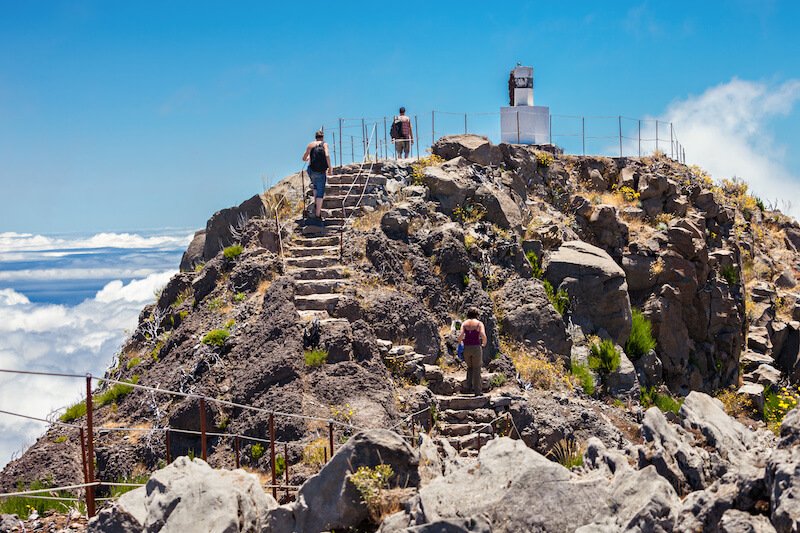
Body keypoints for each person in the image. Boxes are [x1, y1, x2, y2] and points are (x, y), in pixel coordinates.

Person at [302, 130, 332, 219]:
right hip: (321, 171)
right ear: (322, 137)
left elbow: (304, 158)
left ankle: (315, 203)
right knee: (320, 192)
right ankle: (318, 214)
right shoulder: (324, 144)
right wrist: (330, 167)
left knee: (315, 186)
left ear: (315, 137)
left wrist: (308, 157)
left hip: (311, 170)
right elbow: (327, 155)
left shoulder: (310, 145)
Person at [458, 307, 487, 395]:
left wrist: (460, 343)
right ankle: (477, 391)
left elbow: (460, 336)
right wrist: (484, 343)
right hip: (476, 347)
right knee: (477, 368)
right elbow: (482, 334)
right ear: (477, 315)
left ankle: (468, 388)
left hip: (466, 348)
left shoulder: (464, 323)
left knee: (469, 368)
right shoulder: (479, 324)